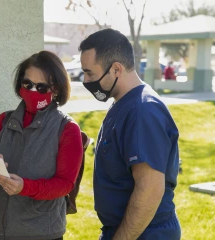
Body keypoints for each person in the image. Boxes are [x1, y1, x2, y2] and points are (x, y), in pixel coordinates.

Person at [79, 29, 181, 240]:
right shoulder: (123, 104)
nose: (86, 80)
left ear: (116, 69)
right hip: (125, 230)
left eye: (90, 73)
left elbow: (150, 188)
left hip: (145, 232)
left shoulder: (142, 110)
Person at [0, 51, 83, 240]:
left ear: (55, 89)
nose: (33, 91)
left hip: (39, 233)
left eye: (41, 87)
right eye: (27, 84)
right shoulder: (4, 120)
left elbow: (64, 184)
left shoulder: (67, 129)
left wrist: (24, 187)